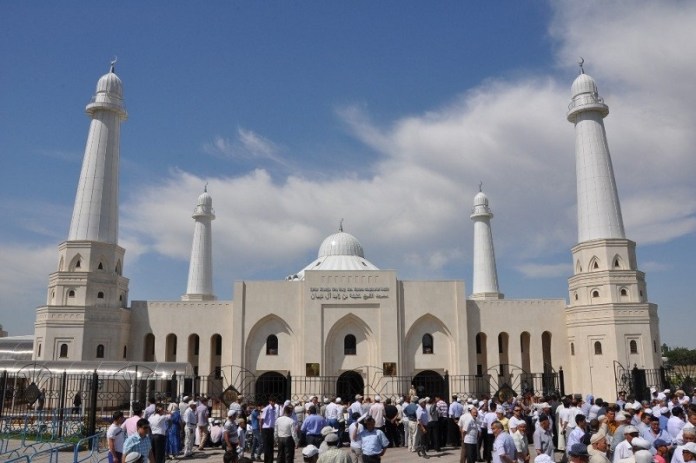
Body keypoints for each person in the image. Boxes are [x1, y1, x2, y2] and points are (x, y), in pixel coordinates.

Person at [260, 396, 278, 463]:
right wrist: (261, 429)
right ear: (269, 401)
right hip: (266, 429)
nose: (273, 402)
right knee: (266, 446)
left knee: (271, 446)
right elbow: (261, 419)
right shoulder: (267, 408)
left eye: (274, 401)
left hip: (271, 429)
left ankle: (270, 461)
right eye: (272, 401)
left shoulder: (274, 408)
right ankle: (266, 461)